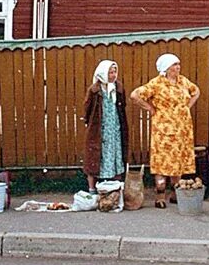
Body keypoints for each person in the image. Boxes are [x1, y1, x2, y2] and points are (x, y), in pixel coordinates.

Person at [131, 54, 200, 208]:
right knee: (163, 161)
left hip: (183, 128)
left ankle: (176, 193)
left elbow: (196, 91)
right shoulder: (156, 84)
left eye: (178, 64)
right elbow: (135, 95)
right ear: (166, 68)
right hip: (164, 130)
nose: (178, 67)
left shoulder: (183, 81)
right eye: (174, 65)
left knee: (178, 160)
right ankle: (160, 195)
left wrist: (187, 106)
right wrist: (149, 108)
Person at [84, 60, 129, 193]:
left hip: (114, 129)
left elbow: (122, 106)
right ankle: (92, 189)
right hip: (99, 130)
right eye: (110, 72)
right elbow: (87, 108)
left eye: (114, 72)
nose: (113, 75)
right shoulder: (95, 90)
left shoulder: (118, 88)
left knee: (116, 155)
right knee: (95, 156)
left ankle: (115, 188)